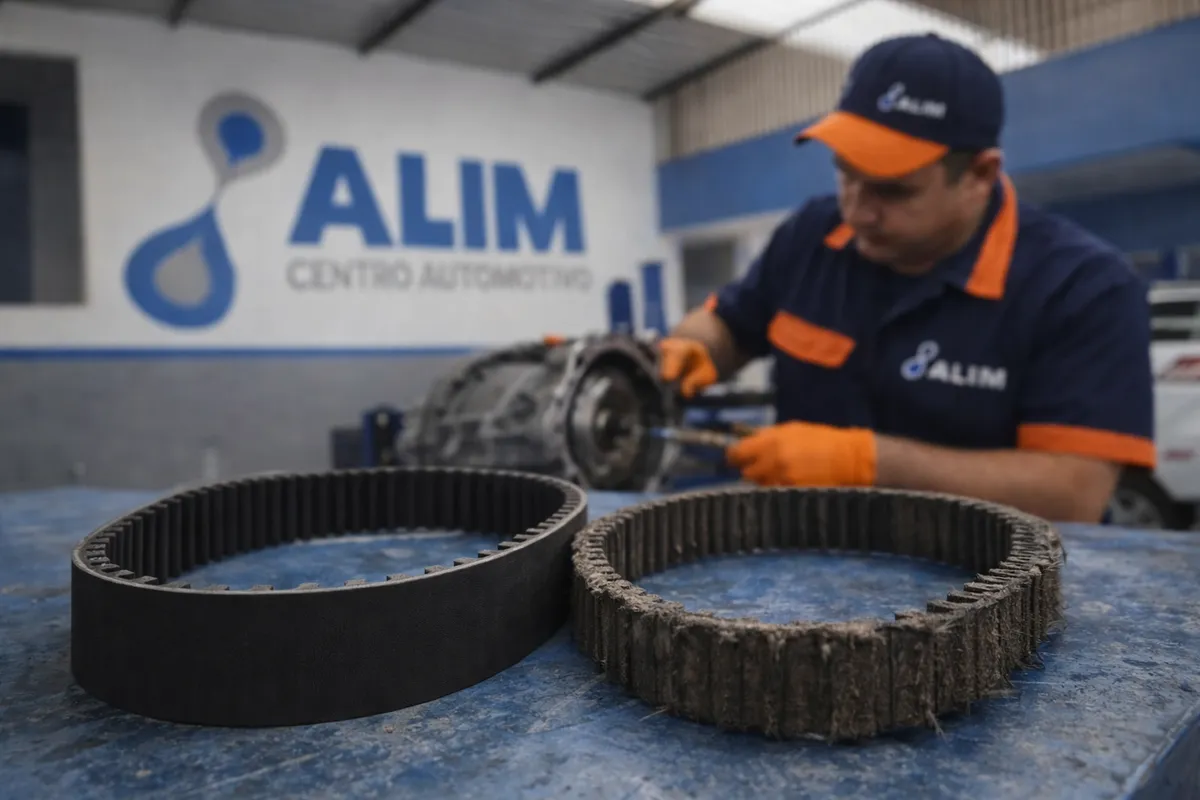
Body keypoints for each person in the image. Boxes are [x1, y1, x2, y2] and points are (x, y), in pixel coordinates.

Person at [659, 33, 1155, 524]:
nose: (857, 210)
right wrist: (696, 346)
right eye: (845, 173)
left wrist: (870, 464)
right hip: (802, 556)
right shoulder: (811, 235)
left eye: (892, 191)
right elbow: (729, 325)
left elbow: (1072, 495)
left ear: (979, 175)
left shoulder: (1084, 288)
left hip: (986, 584)